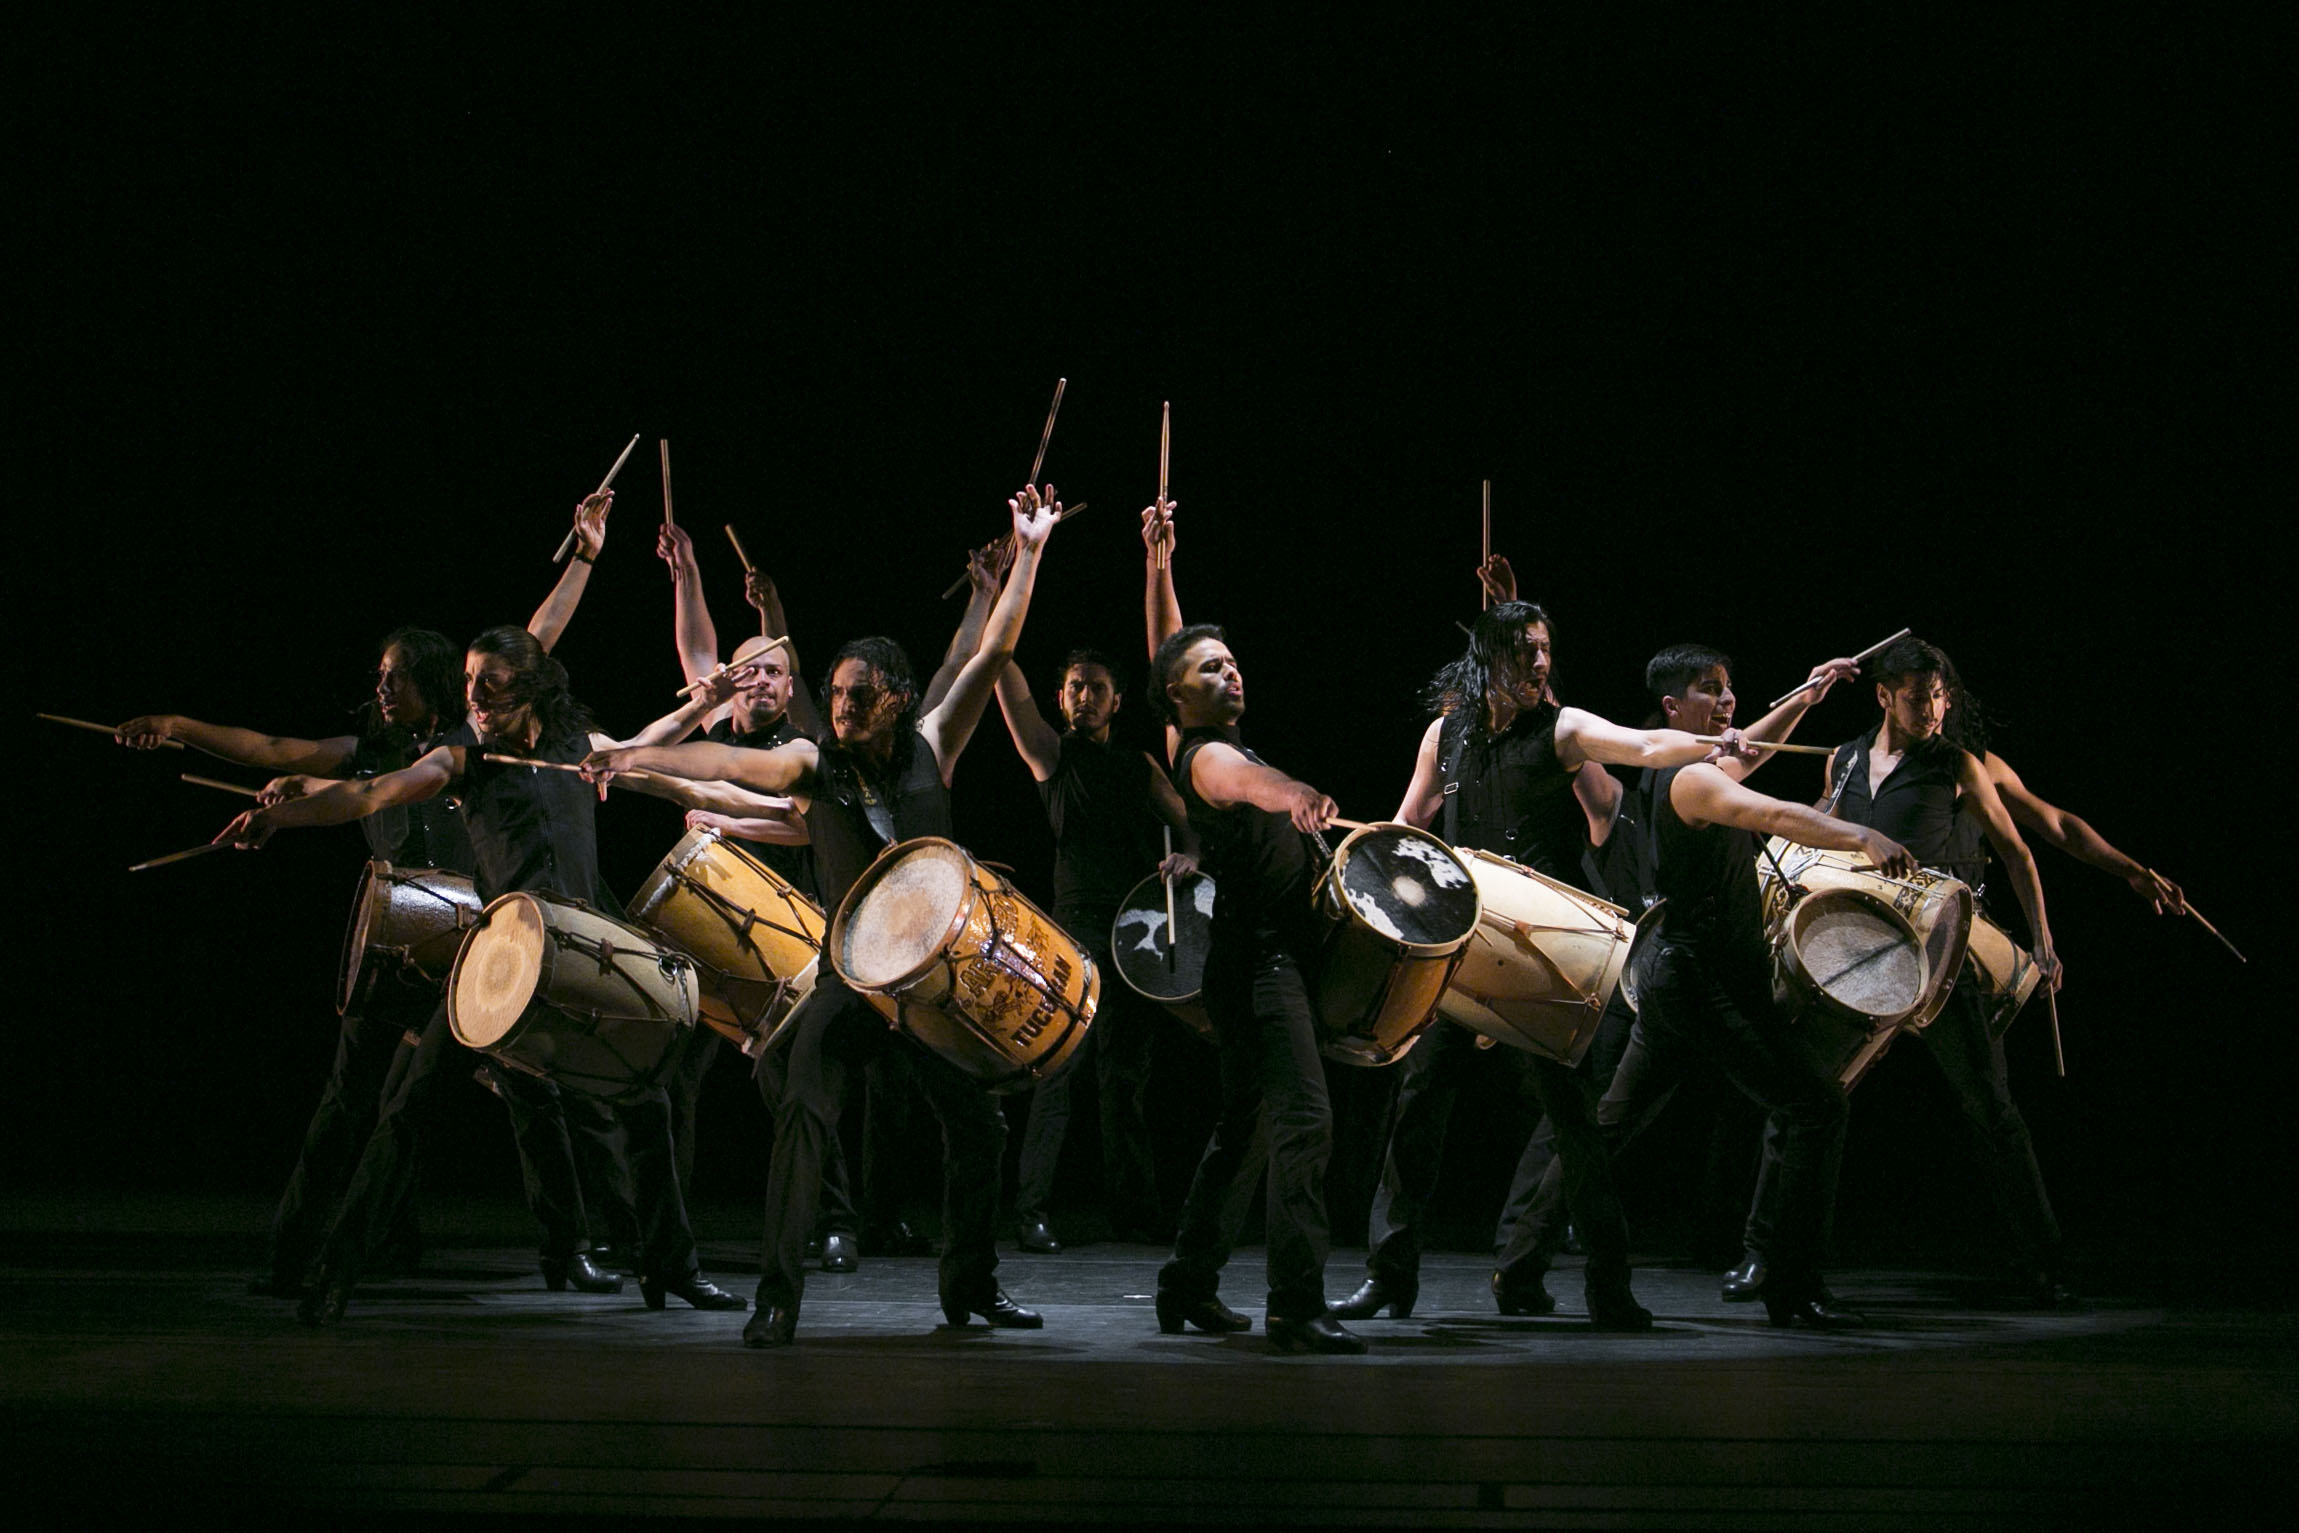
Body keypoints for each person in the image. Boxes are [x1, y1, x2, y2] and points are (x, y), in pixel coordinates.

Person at [584, 485, 1064, 1348]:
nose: (838, 705)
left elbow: (992, 650)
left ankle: (971, 1288)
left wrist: (1027, 553)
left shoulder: (933, 743)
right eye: (834, 691)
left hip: (931, 985)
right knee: (803, 1116)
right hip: (850, 981)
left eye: (856, 694)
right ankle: (779, 1297)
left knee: (980, 1131)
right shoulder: (812, 763)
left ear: (895, 697)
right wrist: (632, 757)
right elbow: (720, 762)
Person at [121, 494, 628, 1299]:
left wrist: (586, 555)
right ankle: (303, 1254)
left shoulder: (473, 745)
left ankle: (566, 1248)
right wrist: (201, 741)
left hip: (476, 943)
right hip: (400, 943)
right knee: (359, 1104)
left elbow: (541, 635)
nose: (385, 688)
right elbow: (284, 755)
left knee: (530, 1096)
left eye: (399, 676)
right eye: (380, 677)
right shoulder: (376, 754)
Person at [215, 623, 743, 1323]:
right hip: (503, 961)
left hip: (583, 956)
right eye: (467, 682)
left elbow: (654, 746)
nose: (473, 694)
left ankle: (671, 1268)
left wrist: (714, 733)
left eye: (487, 681)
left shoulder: (576, 749)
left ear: (529, 684)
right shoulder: (463, 761)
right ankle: (335, 1272)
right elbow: (373, 795)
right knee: (407, 1111)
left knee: (646, 1102)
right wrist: (285, 817)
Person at [1337, 596, 1831, 1329]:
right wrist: (1355, 857)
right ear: (1487, 660)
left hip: (1539, 952)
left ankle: (1608, 1285)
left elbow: (1641, 745)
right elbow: (1410, 824)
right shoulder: (1446, 736)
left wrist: (1708, 747)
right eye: (1522, 650)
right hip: (1459, 947)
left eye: (1544, 648)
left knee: (1575, 1124)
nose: (1538, 661)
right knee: (1415, 1113)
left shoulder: (1562, 730)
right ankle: (1388, 1274)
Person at [1804, 636, 2070, 1305]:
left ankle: (2043, 1261)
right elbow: (1816, 835)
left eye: (1940, 695)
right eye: (1920, 696)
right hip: (1858, 947)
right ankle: (1770, 1256)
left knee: (1988, 1104)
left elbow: (2016, 853)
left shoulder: (1952, 762)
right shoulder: (1842, 762)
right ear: (1884, 695)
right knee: (1804, 1096)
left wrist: (2042, 944)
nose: (1933, 708)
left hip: (1937, 950)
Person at [992, 644, 1197, 1252]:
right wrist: (1000, 608)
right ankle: (1031, 1211)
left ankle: (1135, 1214)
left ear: (1116, 700)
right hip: (1073, 931)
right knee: (1059, 1072)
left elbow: (1188, 822)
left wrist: (1191, 855)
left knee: (1126, 1079)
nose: (1085, 696)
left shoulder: (1137, 764)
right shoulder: (1054, 758)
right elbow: (1006, 677)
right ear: (1061, 698)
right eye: (1075, 686)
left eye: (1096, 687)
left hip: (1135, 928)